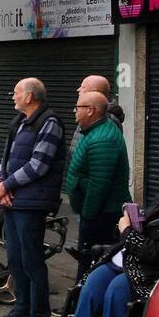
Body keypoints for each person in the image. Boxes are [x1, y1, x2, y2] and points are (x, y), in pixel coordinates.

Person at [46, 174, 159, 317]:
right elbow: (139, 227)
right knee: (92, 282)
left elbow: (153, 253)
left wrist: (127, 230)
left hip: (147, 273)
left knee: (115, 290)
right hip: (123, 259)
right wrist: (130, 218)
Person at [0, 78, 66, 317]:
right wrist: (2, 183)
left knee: (32, 260)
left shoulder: (49, 123)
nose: (12, 96)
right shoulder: (21, 122)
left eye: (16, 93)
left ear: (30, 96)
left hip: (33, 202)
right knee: (16, 259)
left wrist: (7, 185)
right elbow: (7, 157)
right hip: (15, 198)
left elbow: (39, 164)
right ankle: (21, 310)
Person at [64, 90, 130, 282]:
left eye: (78, 107)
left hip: (101, 216)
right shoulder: (93, 131)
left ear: (91, 110)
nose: (75, 111)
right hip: (97, 213)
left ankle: (83, 305)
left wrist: (87, 216)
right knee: (88, 261)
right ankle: (79, 303)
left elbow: (99, 186)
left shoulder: (103, 139)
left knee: (93, 263)